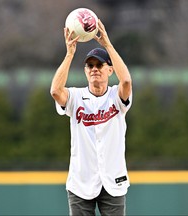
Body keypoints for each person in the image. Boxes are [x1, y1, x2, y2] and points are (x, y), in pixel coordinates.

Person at [50, 19, 132, 216]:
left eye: (99, 64)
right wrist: (70, 54)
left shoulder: (116, 96)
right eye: (89, 65)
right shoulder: (76, 97)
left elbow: (127, 80)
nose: (94, 68)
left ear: (110, 70)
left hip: (113, 180)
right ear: (85, 71)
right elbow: (55, 91)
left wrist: (107, 45)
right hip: (81, 183)